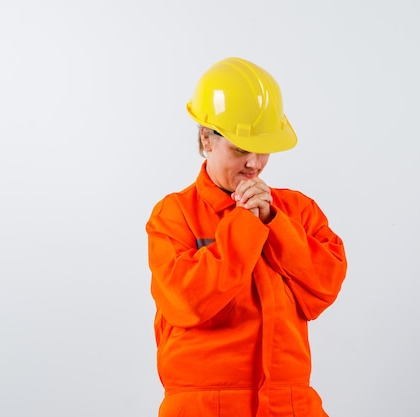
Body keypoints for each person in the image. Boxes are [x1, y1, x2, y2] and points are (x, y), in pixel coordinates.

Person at [145, 57, 348, 417]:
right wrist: (244, 224)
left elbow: (322, 289)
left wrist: (273, 220)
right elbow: (187, 301)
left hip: (290, 405)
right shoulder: (173, 215)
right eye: (240, 148)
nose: (254, 163)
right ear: (207, 139)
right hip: (202, 407)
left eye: (263, 147)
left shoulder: (297, 211)